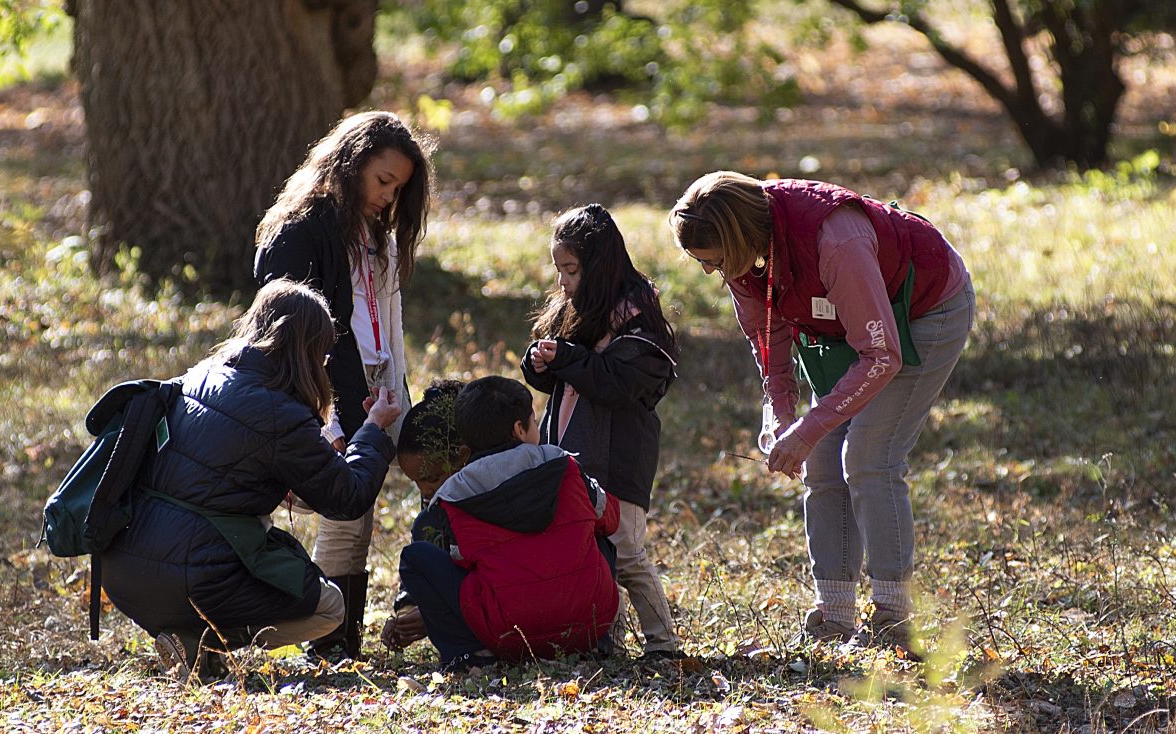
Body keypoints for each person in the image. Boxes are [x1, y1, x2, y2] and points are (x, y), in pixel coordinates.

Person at [667, 172, 976, 650]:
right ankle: (834, 613)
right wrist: (781, 419)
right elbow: (768, 341)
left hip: (923, 314)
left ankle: (893, 618)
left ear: (739, 237)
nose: (711, 272)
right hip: (848, 334)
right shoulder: (742, 259)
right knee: (821, 460)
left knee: (870, 456)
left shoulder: (835, 239)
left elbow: (882, 355)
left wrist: (810, 426)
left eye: (714, 260)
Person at [96, 280, 406, 679]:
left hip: (123, 566)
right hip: (192, 578)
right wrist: (373, 429)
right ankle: (203, 639)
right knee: (330, 607)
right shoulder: (281, 415)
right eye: (323, 353)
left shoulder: (198, 375)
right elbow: (347, 496)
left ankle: (187, 641)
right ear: (307, 351)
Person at [252, 110, 435, 660]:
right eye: (383, 181)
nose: (388, 197)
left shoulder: (376, 234)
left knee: (358, 511)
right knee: (340, 506)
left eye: (398, 188)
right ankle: (326, 639)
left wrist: (395, 388)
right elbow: (290, 338)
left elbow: (386, 319)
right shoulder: (298, 233)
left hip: (375, 385)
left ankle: (339, 639)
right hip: (324, 390)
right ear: (351, 163)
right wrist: (324, 415)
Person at [520, 204, 688, 660]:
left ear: (598, 265)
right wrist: (539, 363)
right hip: (573, 457)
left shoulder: (638, 321)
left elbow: (616, 384)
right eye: (558, 270)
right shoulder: (577, 310)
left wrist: (568, 359)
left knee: (626, 553)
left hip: (619, 463)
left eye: (570, 270)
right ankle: (598, 639)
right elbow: (564, 379)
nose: (562, 282)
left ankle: (663, 643)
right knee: (585, 556)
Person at [380, 377, 623, 671]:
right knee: (600, 537)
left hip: (505, 632)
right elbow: (611, 517)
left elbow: (461, 563)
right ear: (519, 430)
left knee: (415, 557)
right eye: (535, 422)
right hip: (587, 625)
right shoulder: (565, 465)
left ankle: (467, 656)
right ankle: (601, 642)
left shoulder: (454, 496)